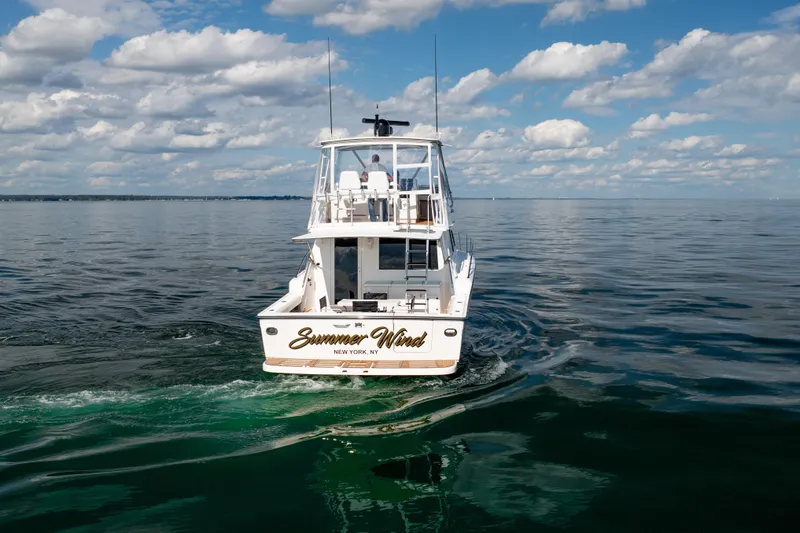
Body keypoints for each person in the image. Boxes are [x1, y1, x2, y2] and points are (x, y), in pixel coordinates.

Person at [360, 154, 393, 221]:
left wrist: (367, 180)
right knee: (384, 200)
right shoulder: (383, 168)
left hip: (372, 190)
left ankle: (373, 219)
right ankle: (384, 218)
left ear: (372, 160)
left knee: (370, 201)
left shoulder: (368, 167)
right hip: (382, 190)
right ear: (378, 160)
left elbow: (363, 177)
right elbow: (390, 178)